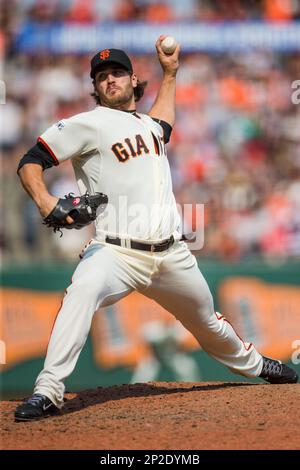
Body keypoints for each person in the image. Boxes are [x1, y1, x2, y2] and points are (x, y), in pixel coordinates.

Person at [15, 37, 298, 421]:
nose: (109, 80)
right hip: (115, 252)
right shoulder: (86, 123)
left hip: (172, 254)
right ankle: (48, 391)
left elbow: (162, 122)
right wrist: (47, 203)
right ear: (95, 87)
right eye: (101, 77)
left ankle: (256, 365)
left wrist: (170, 73)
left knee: (209, 325)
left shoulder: (148, 126)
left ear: (133, 80)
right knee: (80, 293)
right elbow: (30, 161)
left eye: (116, 73)